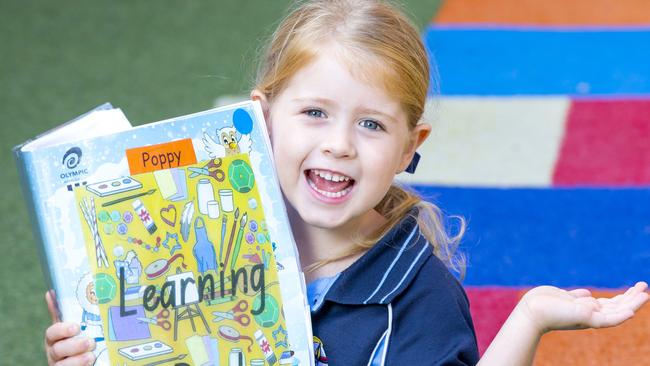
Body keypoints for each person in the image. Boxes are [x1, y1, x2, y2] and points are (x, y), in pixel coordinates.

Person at [43, 0, 649, 365]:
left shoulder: (420, 300)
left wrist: (529, 319)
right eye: (314, 113)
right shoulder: (198, 247)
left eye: (371, 124)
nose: (339, 142)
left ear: (411, 147)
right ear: (259, 121)